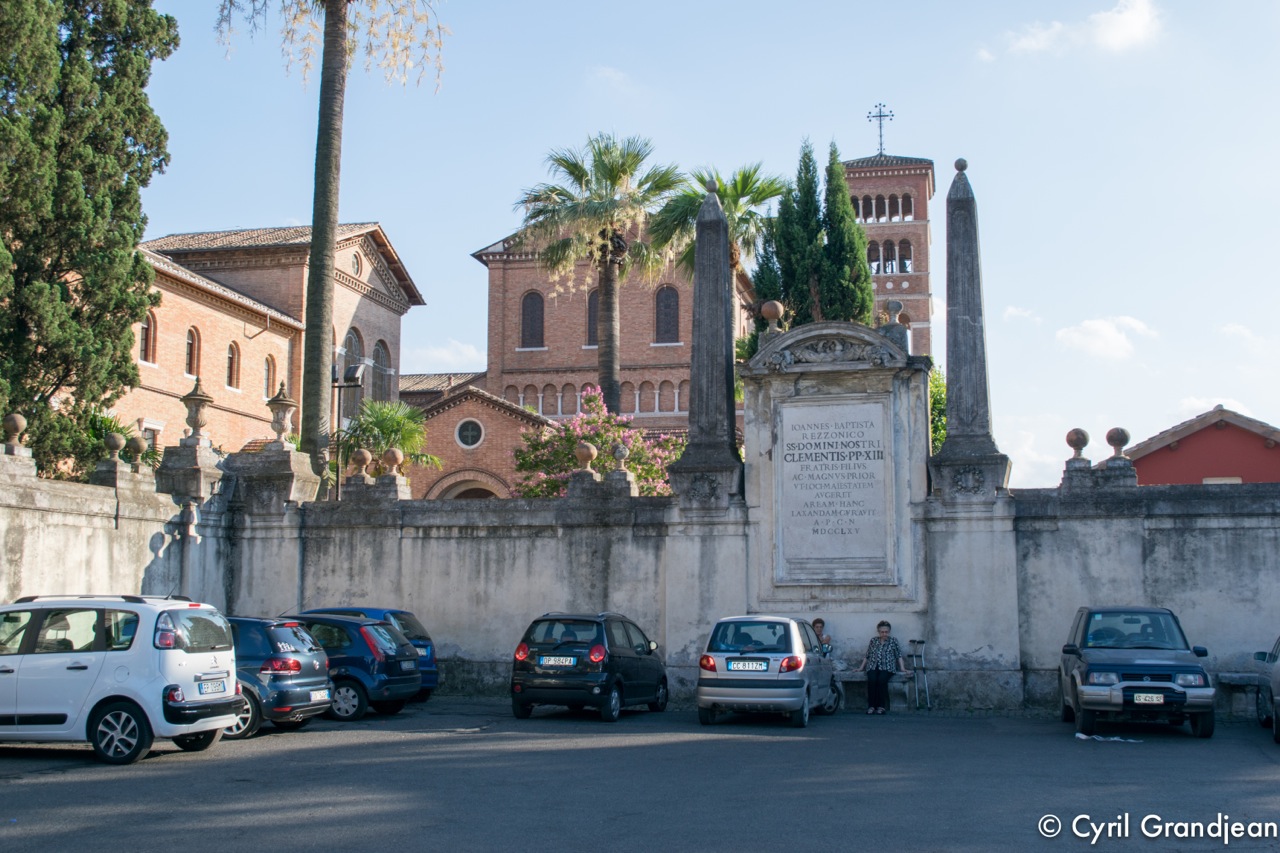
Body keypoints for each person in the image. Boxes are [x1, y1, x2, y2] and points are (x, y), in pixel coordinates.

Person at [857, 620, 906, 715]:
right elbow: (867, 655)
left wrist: (902, 668)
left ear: (889, 631)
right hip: (873, 666)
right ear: (879, 632)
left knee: (881, 680)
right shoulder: (873, 641)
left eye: (886, 632)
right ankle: (871, 706)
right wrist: (861, 668)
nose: (884, 634)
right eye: (882, 632)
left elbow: (898, 655)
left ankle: (881, 706)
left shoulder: (893, 641)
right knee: (872, 680)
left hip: (887, 667)